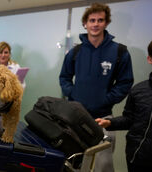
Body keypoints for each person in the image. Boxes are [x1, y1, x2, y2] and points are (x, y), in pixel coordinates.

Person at [59, 3, 134, 172]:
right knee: (74, 164)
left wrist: (105, 100)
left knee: (103, 166)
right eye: (92, 20)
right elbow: (64, 77)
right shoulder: (75, 52)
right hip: (75, 119)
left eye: (100, 20)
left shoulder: (120, 52)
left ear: (106, 23)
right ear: (85, 23)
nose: (95, 24)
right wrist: (73, 94)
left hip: (103, 119)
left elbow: (125, 83)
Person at [95, 41, 152, 172]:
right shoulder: (138, 90)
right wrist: (109, 122)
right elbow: (129, 119)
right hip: (138, 158)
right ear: (150, 59)